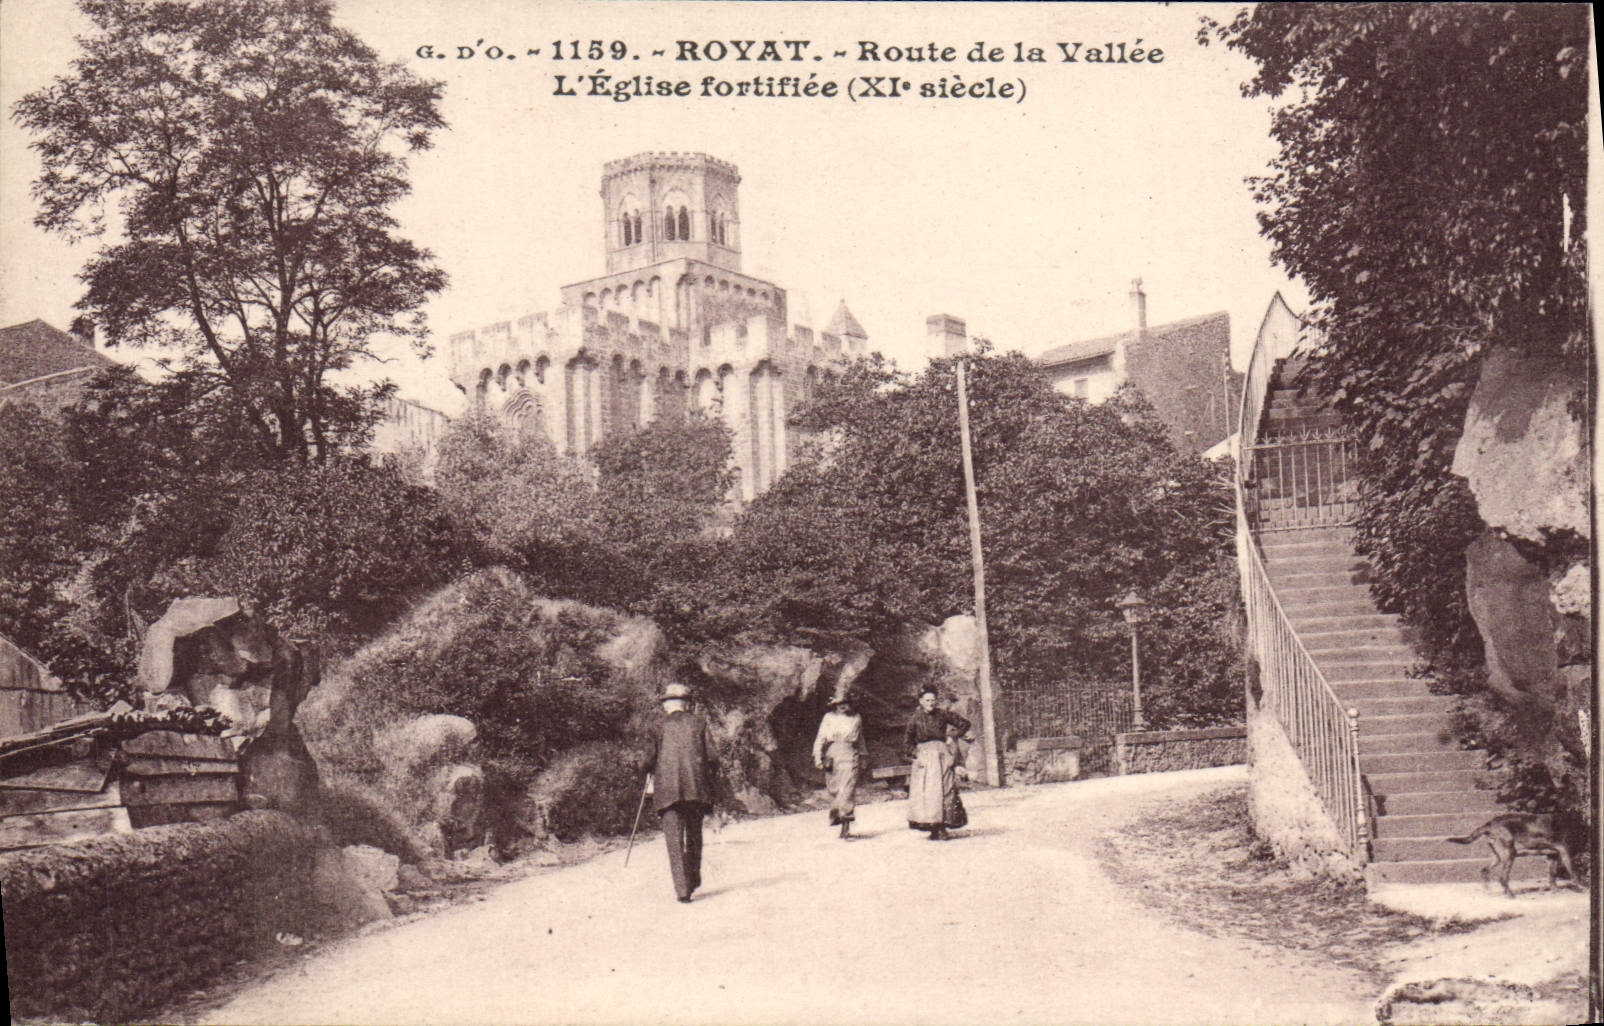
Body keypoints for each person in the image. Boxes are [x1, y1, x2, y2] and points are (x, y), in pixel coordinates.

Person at [645, 682, 719, 903]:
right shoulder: (699, 724)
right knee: (694, 835)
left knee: (674, 841)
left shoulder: (657, 727)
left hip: (667, 791)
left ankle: (682, 890)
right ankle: (693, 879)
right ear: (686, 704)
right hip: (696, 789)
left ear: (667, 704)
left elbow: (648, 759)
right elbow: (713, 758)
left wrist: (647, 770)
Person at [904, 687, 971, 840]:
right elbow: (907, 742)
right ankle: (933, 828)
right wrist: (916, 755)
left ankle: (943, 828)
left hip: (942, 755)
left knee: (946, 790)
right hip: (924, 758)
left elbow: (964, 724)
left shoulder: (942, 714)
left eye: (933, 700)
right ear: (921, 702)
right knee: (928, 794)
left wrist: (952, 736)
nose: (930, 703)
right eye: (927, 700)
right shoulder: (915, 719)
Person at [812, 694, 867, 839]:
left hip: (850, 755)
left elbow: (860, 739)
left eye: (846, 703)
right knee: (835, 789)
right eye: (839, 703)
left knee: (847, 790)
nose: (843, 706)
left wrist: (863, 756)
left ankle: (846, 826)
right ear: (834, 705)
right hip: (833, 755)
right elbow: (820, 738)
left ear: (850, 704)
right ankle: (838, 817)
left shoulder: (856, 718)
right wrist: (818, 756)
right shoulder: (828, 718)